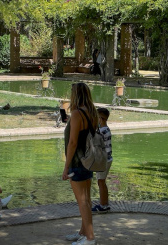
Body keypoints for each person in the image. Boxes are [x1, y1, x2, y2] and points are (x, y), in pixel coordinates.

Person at [62, 83, 98, 245]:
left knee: (82, 200)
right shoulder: (92, 113)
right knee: (87, 199)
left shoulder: (77, 114)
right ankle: (84, 233)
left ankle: (90, 238)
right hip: (89, 160)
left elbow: (73, 142)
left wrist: (66, 166)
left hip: (77, 161)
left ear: (75, 95)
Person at [92, 108, 113, 213]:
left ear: (100, 118)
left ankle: (103, 205)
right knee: (102, 181)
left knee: (101, 182)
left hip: (103, 160)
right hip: (108, 159)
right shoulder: (106, 129)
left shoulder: (101, 131)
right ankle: (105, 203)